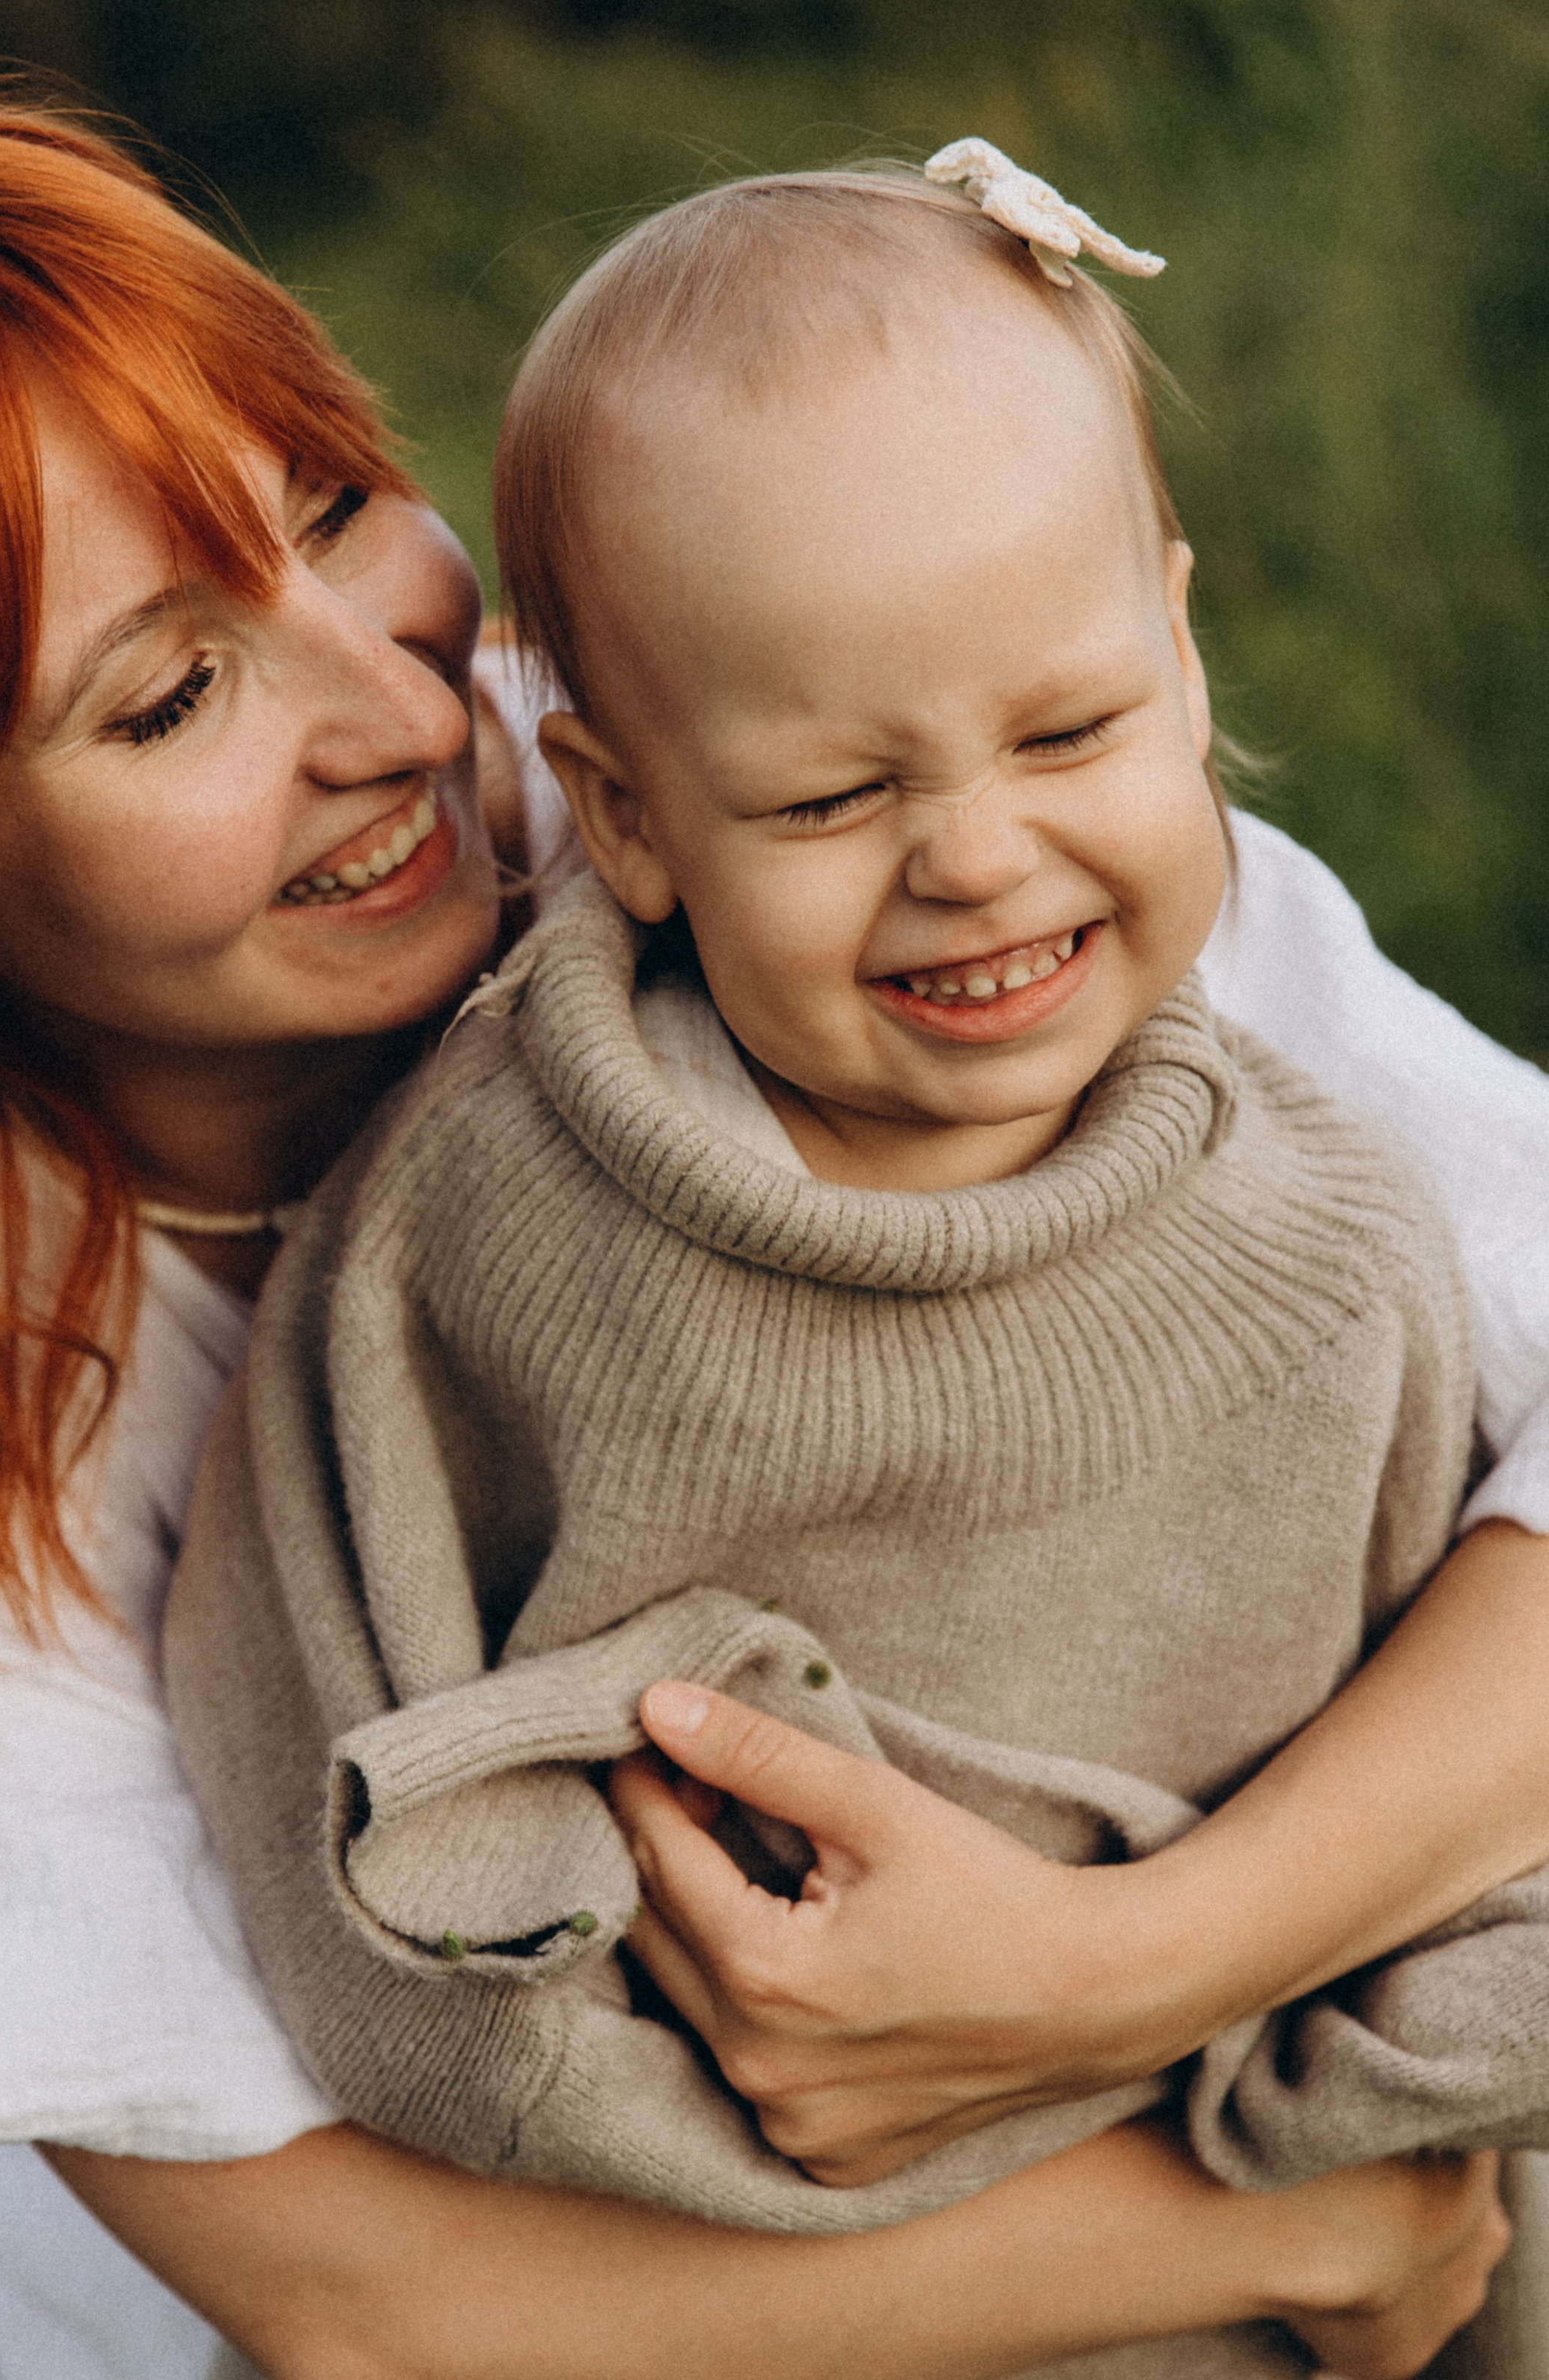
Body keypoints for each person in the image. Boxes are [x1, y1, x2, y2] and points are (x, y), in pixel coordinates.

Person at [0, 78, 1539, 2380]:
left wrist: (1137, 1967)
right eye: (169, 696)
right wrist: (1292, 2245)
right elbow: (361, 2305)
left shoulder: (791, 759)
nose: (397, 705)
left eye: (333, 504)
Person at [159, 160, 1549, 2366]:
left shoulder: (1336, 1231)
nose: (982, 859)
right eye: (826, 805)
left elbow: (1451, 1825)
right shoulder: (484, 1235)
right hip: (720, 2285)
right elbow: (319, 1741)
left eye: (1074, 730)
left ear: (1180, 646)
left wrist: (1367, 2064)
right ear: (621, 815)